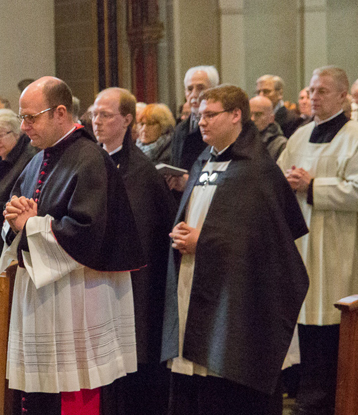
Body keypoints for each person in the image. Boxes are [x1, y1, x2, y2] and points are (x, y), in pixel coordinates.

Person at [0, 77, 142, 414]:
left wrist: (30, 225)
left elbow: (86, 234)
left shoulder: (89, 159)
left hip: (76, 298)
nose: (24, 126)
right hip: (42, 296)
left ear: (60, 113)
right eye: (22, 117)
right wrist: (14, 219)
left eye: (31, 117)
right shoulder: (38, 160)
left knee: (72, 392)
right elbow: (14, 215)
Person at [164, 84, 308, 415]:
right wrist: (180, 228)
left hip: (238, 296)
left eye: (210, 115)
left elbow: (269, 241)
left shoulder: (257, 169)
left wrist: (204, 242)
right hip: (194, 279)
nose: (201, 122)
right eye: (199, 115)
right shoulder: (203, 161)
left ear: (235, 115)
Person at [277, 65, 358, 415]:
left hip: (338, 245)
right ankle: (305, 400)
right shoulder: (298, 136)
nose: (313, 96)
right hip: (302, 244)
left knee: (333, 335)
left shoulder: (355, 135)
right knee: (305, 331)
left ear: (343, 96)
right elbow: (277, 179)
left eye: (322, 90)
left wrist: (313, 186)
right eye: (311, 90)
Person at [93, 87, 177, 415]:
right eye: (94, 114)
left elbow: (140, 235)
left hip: (132, 288)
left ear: (127, 120)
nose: (96, 121)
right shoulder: (90, 159)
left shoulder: (140, 171)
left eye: (106, 115)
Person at [0, 108, 35, 263]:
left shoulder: (28, 159)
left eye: (1, 135)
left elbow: (28, 204)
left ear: (16, 133)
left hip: (14, 245)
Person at [170, 66, 219, 181]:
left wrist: (190, 182)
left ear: (215, 90)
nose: (194, 94)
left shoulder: (219, 125)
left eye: (201, 88)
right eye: (190, 89)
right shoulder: (180, 128)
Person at [249, 95, 288, 160]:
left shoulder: (280, 145)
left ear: (271, 118)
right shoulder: (240, 140)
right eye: (249, 114)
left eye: (258, 114)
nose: (252, 119)